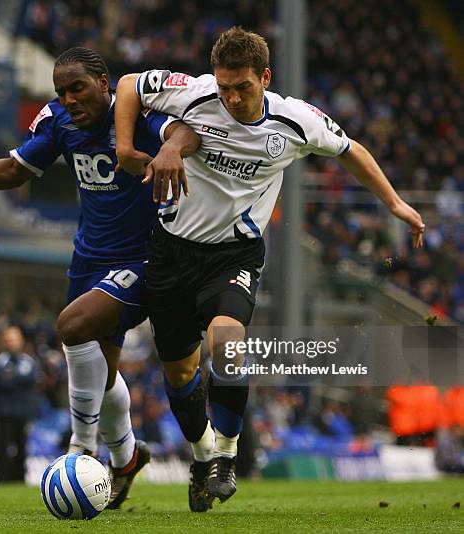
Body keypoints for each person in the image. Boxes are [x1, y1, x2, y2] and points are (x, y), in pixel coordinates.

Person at [114, 26, 425, 511]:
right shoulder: (194, 94)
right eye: (224, 88)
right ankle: (200, 459)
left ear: (265, 77)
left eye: (243, 87)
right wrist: (126, 149)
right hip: (171, 251)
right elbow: (130, 84)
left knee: (227, 341)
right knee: (179, 374)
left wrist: (396, 204)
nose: (232, 98)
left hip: (234, 255)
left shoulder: (296, 120)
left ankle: (227, 455)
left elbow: (353, 152)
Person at [0, 47, 199, 507]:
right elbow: (16, 168)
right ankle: (125, 458)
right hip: (88, 260)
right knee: (101, 377)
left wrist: (169, 149)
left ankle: (81, 448)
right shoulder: (59, 120)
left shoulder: (140, 112)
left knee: (71, 326)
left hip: (144, 259)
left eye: (77, 88)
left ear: (105, 82)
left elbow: (185, 130)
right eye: (61, 92)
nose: (69, 99)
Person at [0, 325, 38, 482]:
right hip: (3, 413)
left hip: (22, 412)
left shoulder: (28, 361)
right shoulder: (0, 360)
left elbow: (30, 380)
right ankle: (2, 479)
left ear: (21, 341)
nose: (11, 342)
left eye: (14, 339)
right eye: (8, 339)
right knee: (2, 447)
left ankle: (20, 478)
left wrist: (10, 379)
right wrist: (16, 380)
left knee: (22, 447)